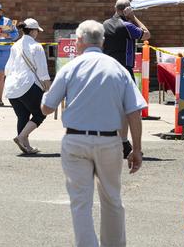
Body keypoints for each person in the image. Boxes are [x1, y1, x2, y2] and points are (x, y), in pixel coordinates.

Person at [41, 20, 145, 247]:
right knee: (112, 200)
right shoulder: (118, 69)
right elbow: (134, 112)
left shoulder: (70, 68)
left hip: (75, 139)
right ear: (103, 42)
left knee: (80, 202)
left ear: (79, 41)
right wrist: (136, 149)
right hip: (110, 140)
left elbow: (47, 108)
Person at [103, 0, 151, 159]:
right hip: (124, 70)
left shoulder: (105, 24)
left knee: (114, 107)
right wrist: (134, 17)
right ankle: (123, 143)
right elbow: (146, 35)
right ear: (126, 10)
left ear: (115, 8)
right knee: (130, 108)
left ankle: (120, 143)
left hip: (107, 69)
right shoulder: (128, 25)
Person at [4, 18, 50, 154]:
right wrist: (48, 88)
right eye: (37, 31)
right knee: (40, 113)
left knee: (22, 116)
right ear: (33, 31)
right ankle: (22, 137)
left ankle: (26, 146)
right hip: (28, 85)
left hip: (12, 87)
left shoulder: (14, 46)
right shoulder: (36, 46)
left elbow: (7, 69)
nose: (37, 33)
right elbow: (43, 71)